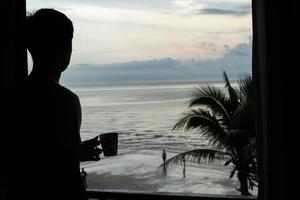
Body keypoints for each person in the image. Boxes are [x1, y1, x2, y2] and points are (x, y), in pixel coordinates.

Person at [4, 9, 100, 200]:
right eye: (68, 42)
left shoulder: (13, 95)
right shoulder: (65, 101)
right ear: (63, 48)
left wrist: (76, 151)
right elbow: (69, 178)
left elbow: (31, 155)